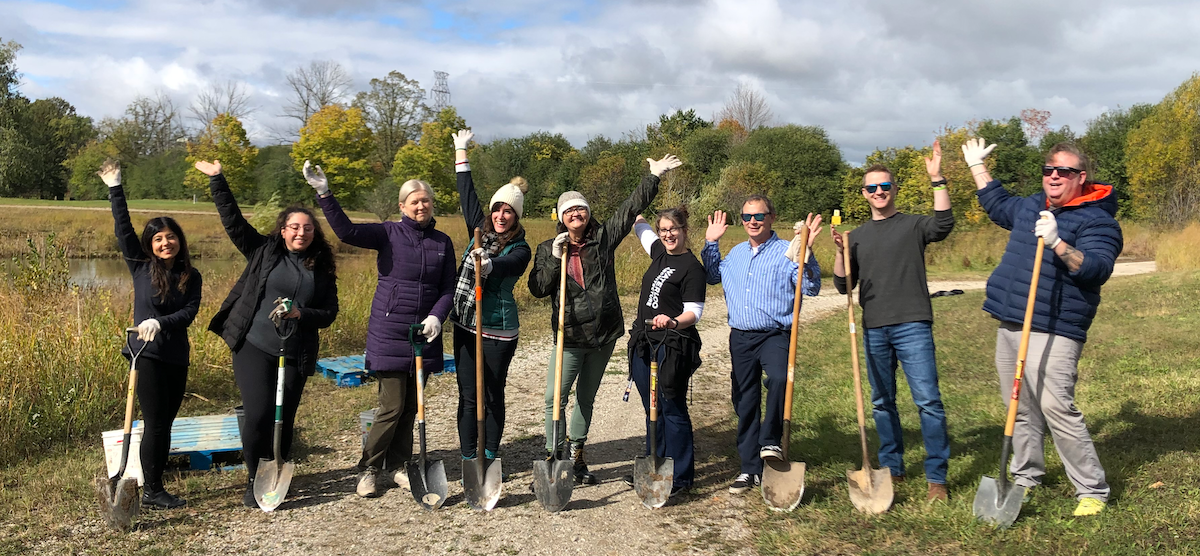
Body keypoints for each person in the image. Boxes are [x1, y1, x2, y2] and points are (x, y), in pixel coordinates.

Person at [964, 138, 1122, 517]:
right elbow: (998, 204)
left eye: (1064, 171)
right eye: (1049, 169)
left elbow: (1096, 269)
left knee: (1056, 406)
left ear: (1081, 177)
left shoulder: (1098, 219)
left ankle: (1091, 490)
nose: (1053, 176)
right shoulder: (1033, 205)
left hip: (1056, 326)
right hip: (1012, 320)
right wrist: (976, 166)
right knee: (1018, 406)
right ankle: (1025, 477)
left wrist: (1057, 243)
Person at [528, 154, 681, 484]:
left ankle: (578, 456)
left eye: (580, 208)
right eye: (569, 210)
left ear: (587, 213)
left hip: (603, 335)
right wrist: (556, 259)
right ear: (561, 216)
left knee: (586, 398)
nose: (576, 213)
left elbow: (628, 210)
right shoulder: (546, 248)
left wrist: (653, 176)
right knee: (554, 397)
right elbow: (538, 288)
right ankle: (555, 456)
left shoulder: (603, 240)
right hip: (569, 336)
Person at [308, 161, 456, 498]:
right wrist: (324, 194)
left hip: (424, 333)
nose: (421, 206)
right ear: (402, 206)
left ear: (432, 204)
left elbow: (448, 288)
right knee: (392, 405)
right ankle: (369, 468)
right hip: (390, 332)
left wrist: (437, 316)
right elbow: (346, 232)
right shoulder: (388, 233)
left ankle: (399, 465)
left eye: (426, 201)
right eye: (413, 201)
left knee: (411, 407)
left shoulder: (442, 242)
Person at [199, 160, 340, 508]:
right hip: (254, 345)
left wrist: (300, 314)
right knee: (259, 413)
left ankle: (276, 470)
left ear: (314, 234)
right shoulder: (263, 251)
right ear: (282, 230)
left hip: (295, 351)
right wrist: (218, 179)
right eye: (294, 227)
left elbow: (329, 314)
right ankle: (254, 477)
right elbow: (233, 222)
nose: (300, 233)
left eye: (307, 229)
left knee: (283, 418)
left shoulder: (320, 268)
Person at [831, 140, 955, 502]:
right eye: (872, 187)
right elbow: (843, 284)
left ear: (894, 189)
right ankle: (892, 469)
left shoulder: (914, 225)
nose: (879, 192)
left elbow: (944, 223)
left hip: (913, 323)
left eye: (885, 186)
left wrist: (937, 179)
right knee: (882, 403)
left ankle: (937, 478)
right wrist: (840, 252)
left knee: (928, 401)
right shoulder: (857, 236)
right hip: (874, 329)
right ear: (865, 194)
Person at [100, 160, 202, 509]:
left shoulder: (192, 275)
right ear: (150, 244)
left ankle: (155, 484)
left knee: (166, 423)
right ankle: (154, 490)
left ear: (179, 240)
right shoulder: (141, 266)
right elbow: (123, 230)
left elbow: (189, 313)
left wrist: (162, 322)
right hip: (145, 356)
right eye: (158, 239)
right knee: (156, 422)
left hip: (176, 355)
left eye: (170, 237)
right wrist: (115, 188)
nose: (165, 243)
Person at [702, 198, 822, 494]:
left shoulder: (788, 251)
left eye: (759, 215)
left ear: (772, 217)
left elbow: (811, 287)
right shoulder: (736, 253)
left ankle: (770, 439)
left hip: (775, 334)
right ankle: (749, 469)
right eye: (747, 216)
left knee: (781, 377)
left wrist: (806, 254)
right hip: (740, 337)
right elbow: (712, 276)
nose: (753, 221)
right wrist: (710, 243)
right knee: (744, 401)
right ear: (741, 220)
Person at [447, 130, 532, 464]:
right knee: (468, 395)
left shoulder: (520, 247)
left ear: (516, 216)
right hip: (467, 326)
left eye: (507, 211)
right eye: (497, 209)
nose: (500, 215)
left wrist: (488, 265)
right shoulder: (478, 231)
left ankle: (490, 453)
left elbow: (510, 264)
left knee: (492, 395)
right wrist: (460, 150)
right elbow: (467, 195)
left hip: (497, 330)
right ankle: (470, 457)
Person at [622, 207, 706, 497]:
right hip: (644, 343)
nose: (668, 234)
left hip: (672, 345)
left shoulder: (692, 267)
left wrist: (673, 321)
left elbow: (695, 311)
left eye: (674, 229)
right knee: (652, 409)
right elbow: (640, 228)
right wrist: (637, 205)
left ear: (684, 230)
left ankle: (681, 477)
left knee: (671, 407)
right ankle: (654, 465)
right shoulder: (659, 252)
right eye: (664, 230)